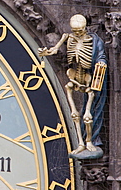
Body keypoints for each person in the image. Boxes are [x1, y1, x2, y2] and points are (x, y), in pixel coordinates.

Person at [39, 14, 107, 154]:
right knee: (75, 114)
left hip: (88, 78)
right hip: (73, 75)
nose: (77, 33)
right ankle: (80, 143)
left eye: (80, 31)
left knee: (88, 115)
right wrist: (47, 52)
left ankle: (89, 141)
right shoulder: (67, 37)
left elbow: (101, 55)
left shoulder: (94, 40)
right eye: (74, 31)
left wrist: (100, 63)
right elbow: (55, 49)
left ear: (85, 28)